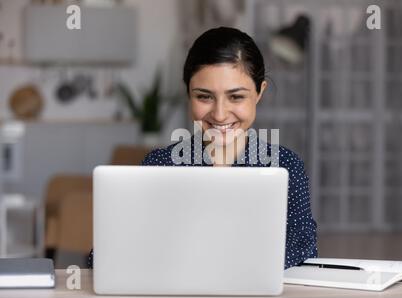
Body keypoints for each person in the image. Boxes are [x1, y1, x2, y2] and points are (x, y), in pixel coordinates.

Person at [88, 26, 317, 269]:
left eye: (236, 97)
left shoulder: (285, 165)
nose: (219, 114)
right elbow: (103, 254)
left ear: (259, 93)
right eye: (204, 97)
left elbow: (304, 248)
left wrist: (230, 267)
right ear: (188, 93)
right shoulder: (160, 165)